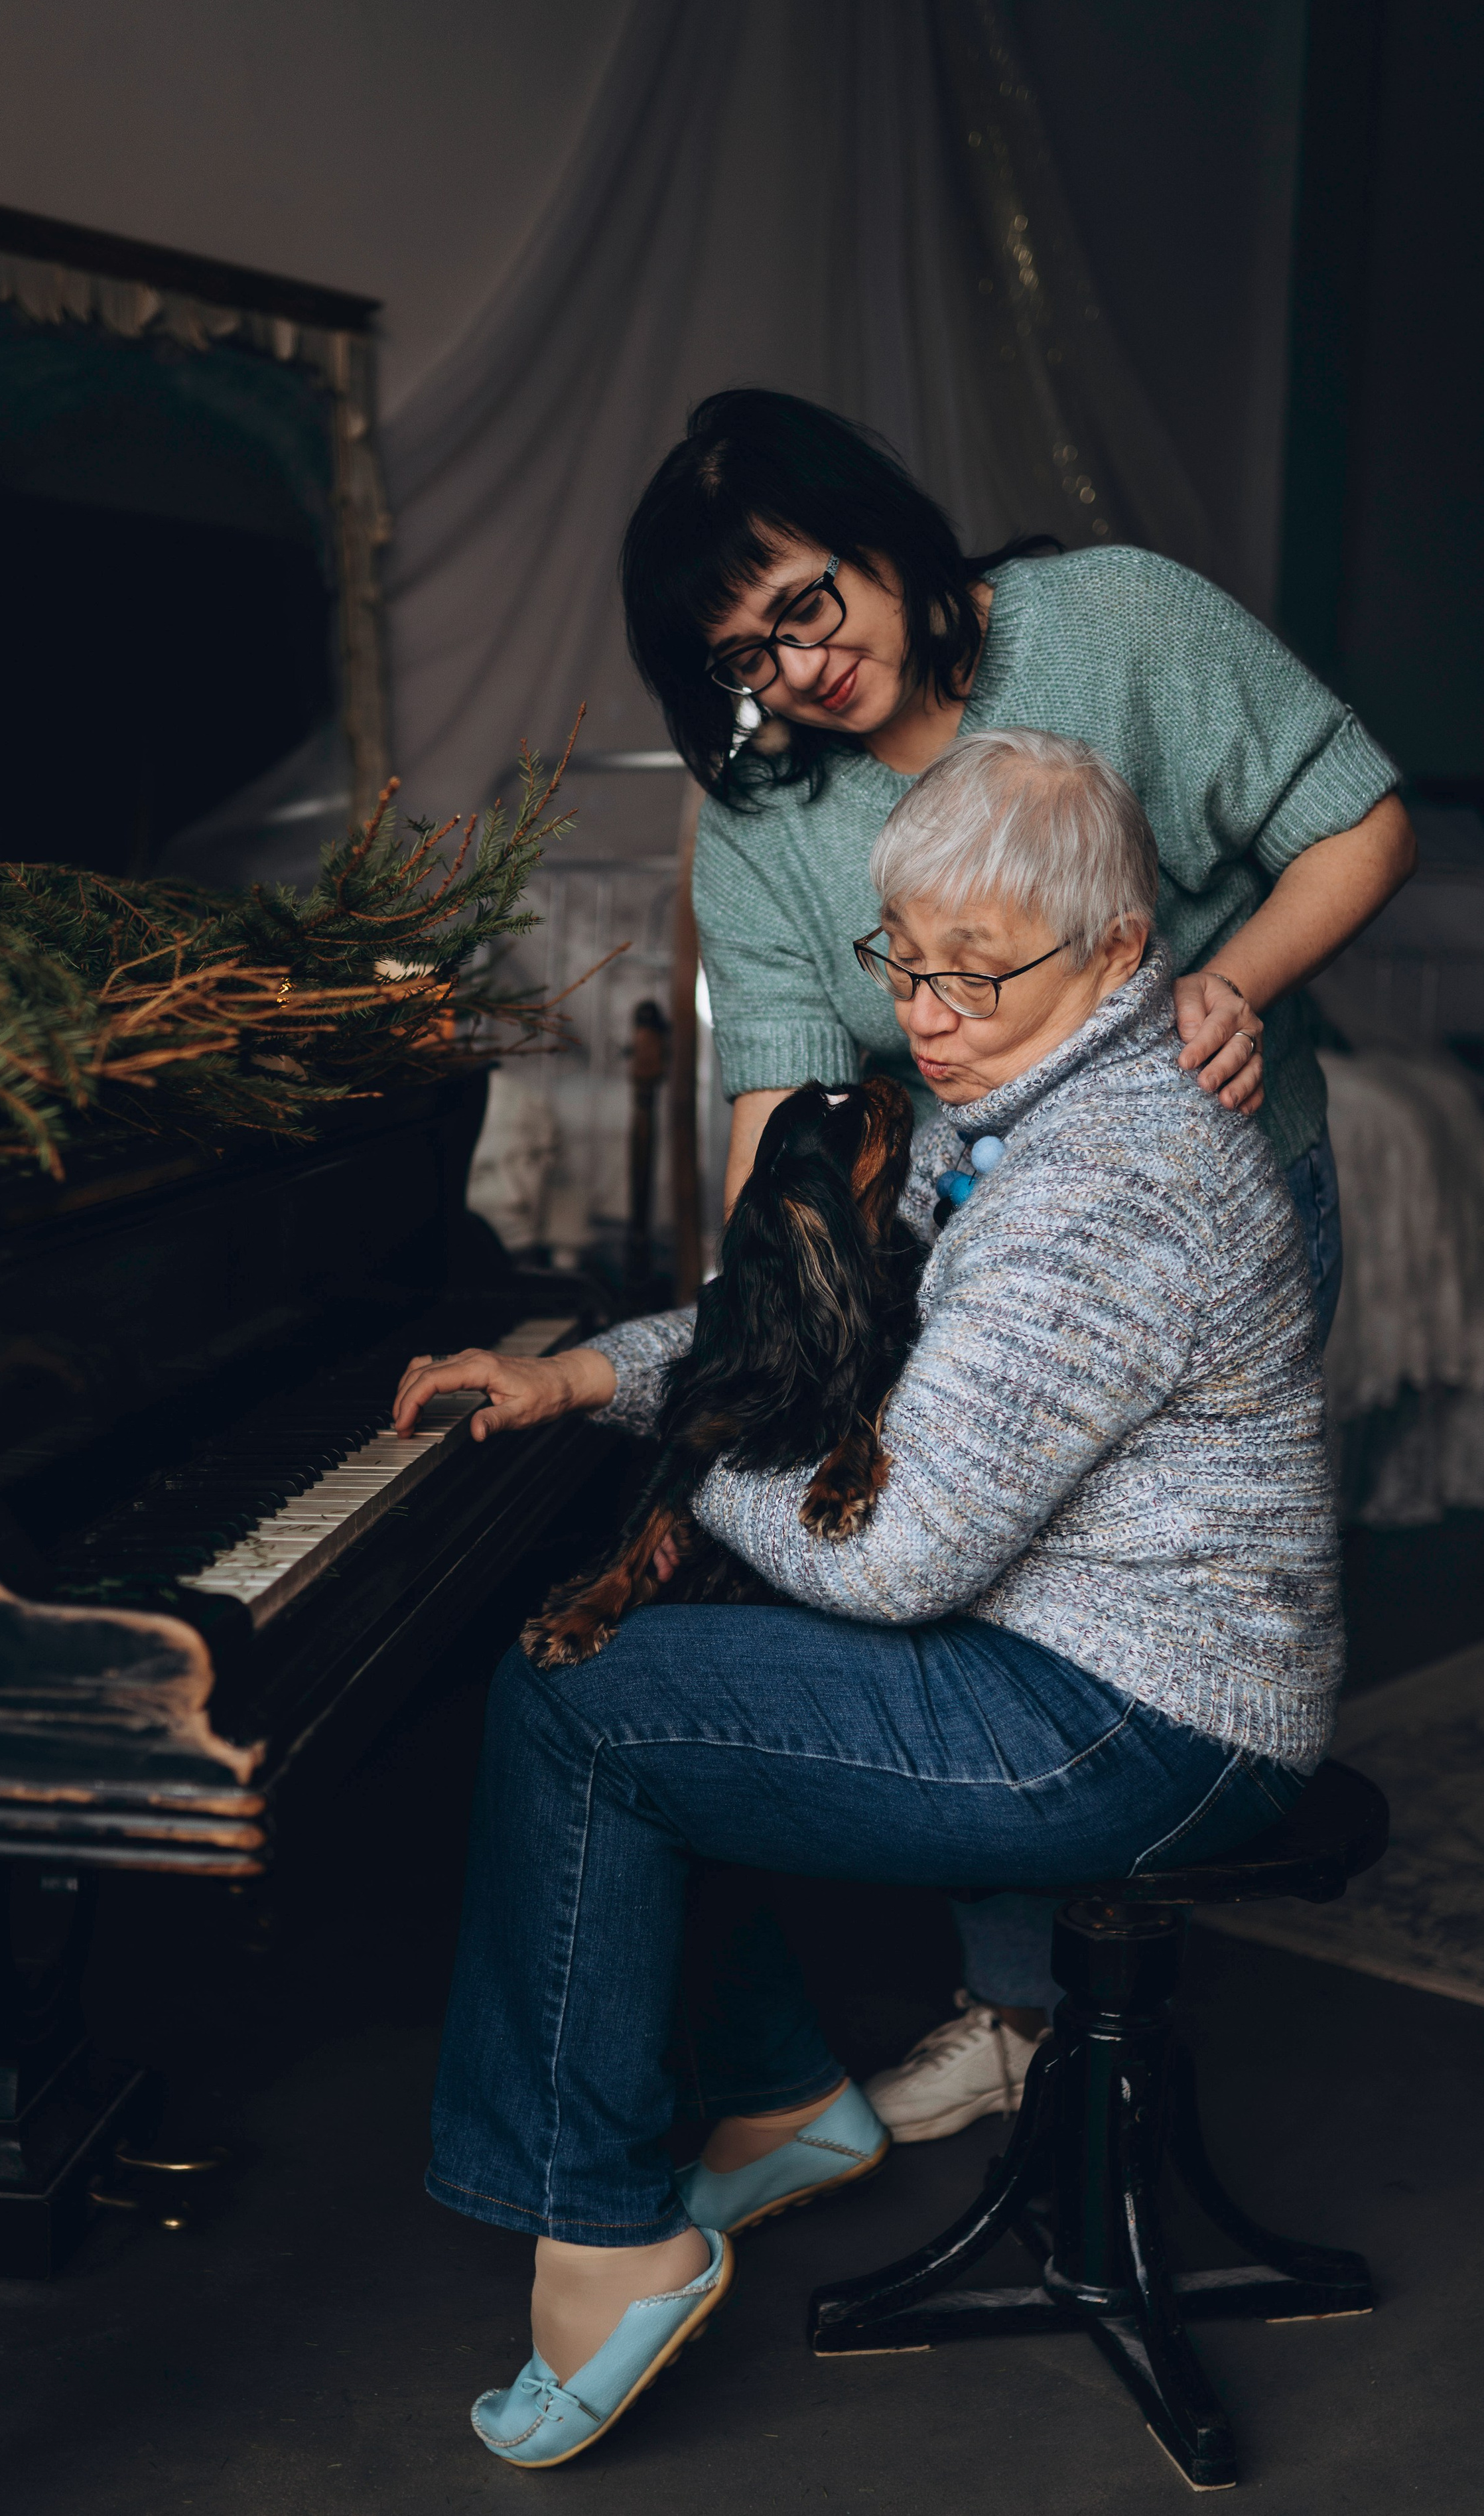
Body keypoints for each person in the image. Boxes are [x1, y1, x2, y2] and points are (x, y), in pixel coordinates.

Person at [393, 730, 1341, 2468]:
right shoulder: (1003, 1110)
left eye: (976, 972)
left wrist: (690, 1449)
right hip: (1070, 1663)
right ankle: (780, 2099)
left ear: (1120, 952)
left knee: (582, 1705)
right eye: (902, 963)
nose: (926, 1014)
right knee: (665, 1654)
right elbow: (789, 1327)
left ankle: (607, 2237)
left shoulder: (1112, 1179)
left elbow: (896, 1560)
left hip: (1136, 1721)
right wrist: (588, 1376)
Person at [616, 385, 1411, 2131]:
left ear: (879, 532)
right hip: (958, 1241)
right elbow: (781, 1110)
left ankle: (1096, 1986)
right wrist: (748, 1332)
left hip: (1202, 1197)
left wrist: (1232, 982)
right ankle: (1017, 2012)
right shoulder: (762, 818)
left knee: (1124, 1587)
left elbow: (1359, 821)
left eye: (809, 605)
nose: (799, 670)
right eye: (746, 657)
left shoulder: (1118, 620)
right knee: (965, 1582)